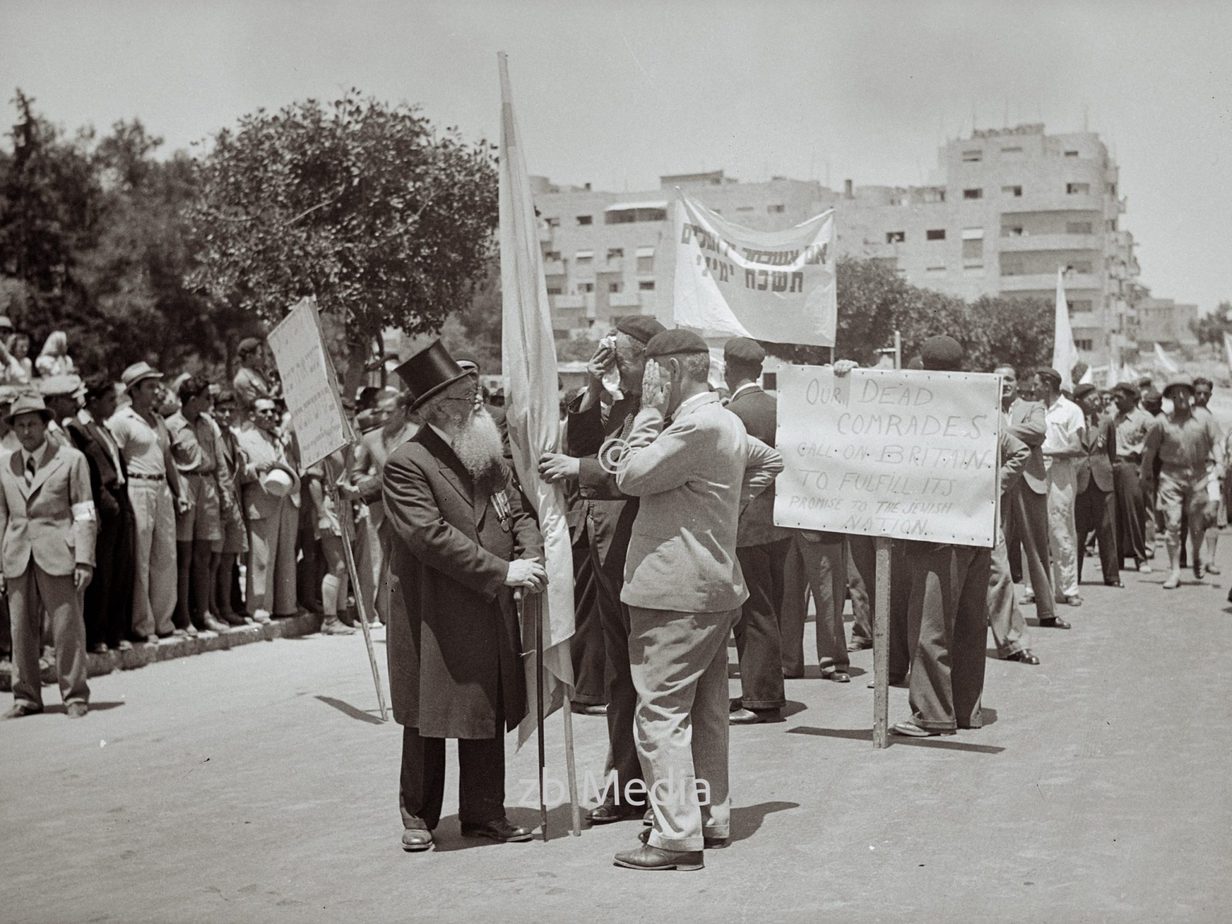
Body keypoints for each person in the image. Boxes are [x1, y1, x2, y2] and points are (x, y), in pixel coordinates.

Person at [609, 329, 783, 872]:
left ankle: (675, 835)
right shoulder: (726, 420)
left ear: (675, 370)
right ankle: (709, 818)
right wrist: (721, 513)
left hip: (675, 591)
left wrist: (643, 418)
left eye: (653, 370)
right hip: (712, 587)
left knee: (660, 714)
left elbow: (630, 475)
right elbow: (769, 461)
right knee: (707, 713)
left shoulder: (695, 422)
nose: (648, 381)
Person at [382, 340, 545, 852]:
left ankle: (484, 814)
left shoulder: (484, 453)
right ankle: (418, 816)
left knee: (483, 710)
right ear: (436, 409)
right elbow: (431, 537)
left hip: (488, 603)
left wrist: (532, 554)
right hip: (433, 612)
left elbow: (517, 511)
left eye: (474, 398)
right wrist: (504, 570)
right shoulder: (406, 462)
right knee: (428, 716)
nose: (476, 407)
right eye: (464, 400)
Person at [537, 315, 665, 825]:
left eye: (625, 361)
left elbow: (633, 470)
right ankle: (627, 785)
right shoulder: (626, 403)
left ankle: (652, 789)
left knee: (646, 676)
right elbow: (585, 443)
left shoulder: (663, 409)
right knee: (619, 676)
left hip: (642, 552)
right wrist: (593, 385)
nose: (620, 371)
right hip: (607, 549)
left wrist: (582, 471)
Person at [893, 337, 1028, 738]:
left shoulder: (916, 405)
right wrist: (990, 487)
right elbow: (1018, 452)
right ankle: (967, 710)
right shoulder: (979, 403)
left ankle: (932, 714)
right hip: (976, 530)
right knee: (970, 625)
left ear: (922, 363)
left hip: (935, 532)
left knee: (930, 626)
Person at [0, 393, 96, 719]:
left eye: (32, 424)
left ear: (45, 425)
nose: (26, 431)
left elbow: (84, 513)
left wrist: (84, 559)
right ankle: (26, 696)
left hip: (60, 553)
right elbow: (1, 518)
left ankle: (75, 695)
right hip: (17, 556)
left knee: (67, 627)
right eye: (20, 425)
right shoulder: (4, 465)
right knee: (20, 630)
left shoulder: (71, 460)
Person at [722, 337, 791, 723]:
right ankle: (759, 688)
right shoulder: (778, 408)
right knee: (770, 611)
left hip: (745, 526)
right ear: (760, 371)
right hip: (779, 524)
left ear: (728, 370)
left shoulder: (733, 414)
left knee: (753, 612)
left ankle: (761, 699)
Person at [110, 363, 189, 645]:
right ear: (134, 390)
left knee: (166, 556)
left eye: (157, 385)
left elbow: (167, 458)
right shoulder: (122, 420)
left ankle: (163, 620)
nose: (156, 390)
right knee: (141, 557)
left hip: (161, 487)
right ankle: (143, 625)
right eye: (150, 386)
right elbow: (115, 458)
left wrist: (178, 492)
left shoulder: (158, 420)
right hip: (137, 485)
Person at [66, 375, 136, 653]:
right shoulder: (78, 428)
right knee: (103, 572)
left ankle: (115, 631)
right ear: (92, 401)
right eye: (108, 400)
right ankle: (96, 634)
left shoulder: (105, 428)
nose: (113, 405)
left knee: (120, 569)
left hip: (119, 501)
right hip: (101, 504)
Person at [166, 376, 234, 635]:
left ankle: (204, 612)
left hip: (208, 487)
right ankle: (184, 615)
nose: (210, 402)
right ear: (193, 400)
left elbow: (219, 462)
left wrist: (225, 494)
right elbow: (168, 462)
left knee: (205, 555)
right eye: (207, 397)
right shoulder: (171, 425)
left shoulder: (208, 424)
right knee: (185, 555)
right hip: (186, 485)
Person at [998, 366, 1065, 628]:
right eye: (1000, 379)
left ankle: (1047, 611)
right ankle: (990, 615)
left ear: (1017, 383)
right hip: (1000, 483)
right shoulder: (987, 408)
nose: (1004, 384)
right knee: (994, 550)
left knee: (1037, 548)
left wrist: (1000, 433)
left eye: (1009, 379)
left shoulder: (1033, 406)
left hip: (1029, 483)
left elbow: (1038, 431)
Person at [1141, 374, 1221, 589]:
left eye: (1185, 392)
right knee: (1173, 524)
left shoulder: (1204, 419)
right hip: (1171, 477)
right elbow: (1149, 452)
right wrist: (1145, 476)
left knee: (1197, 525)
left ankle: (1196, 554)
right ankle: (1175, 570)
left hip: (1198, 477)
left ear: (1191, 395)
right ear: (1170, 397)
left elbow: (1215, 444)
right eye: (1175, 393)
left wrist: (1220, 465)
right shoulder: (1161, 423)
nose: (1181, 397)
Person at [987, 366, 1039, 666]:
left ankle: (1013, 642)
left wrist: (996, 482)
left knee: (1000, 573)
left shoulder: (989, 418)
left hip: (983, 507)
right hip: (943, 509)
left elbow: (1020, 452)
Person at [237, 397, 301, 622]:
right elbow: (237, 472)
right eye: (263, 411)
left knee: (285, 555)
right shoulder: (243, 439)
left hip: (285, 500)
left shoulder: (279, 438)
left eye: (272, 411)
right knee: (261, 557)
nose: (269, 415)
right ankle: (258, 606)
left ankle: (285, 604)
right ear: (252, 415)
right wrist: (255, 468)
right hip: (261, 501)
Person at [1035, 368, 1085, 609]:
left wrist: (1046, 452)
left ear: (1047, 384)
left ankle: (1069, 588)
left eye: (1036, 384)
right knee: (1034, 530)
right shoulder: (1034, 410)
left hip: (1060, 474)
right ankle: (1033, 588)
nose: (1033, 388)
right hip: (1034, 473)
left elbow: (1077, 447)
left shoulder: (1072, 411)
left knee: (1061, 530)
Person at [304, 449, 358, 636]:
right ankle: (329, 620)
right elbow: (313, 481)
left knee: (346, 565)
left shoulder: (347, 444)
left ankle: (341, 613)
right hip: (328, 507)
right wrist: (321, 515)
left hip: (343, 505)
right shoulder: (323, 445)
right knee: (338, 565)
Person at [1073, 383, 1120, 587]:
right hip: (1079, 480)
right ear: (1080, 402)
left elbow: (1112, 451)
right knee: (1078, 531)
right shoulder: (1072, 420)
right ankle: (1074, 576)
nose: (1096, 402)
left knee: (1107, 529)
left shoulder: (1106, 422)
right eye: (1091, 399)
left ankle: (1112, 576)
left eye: (1097, 399)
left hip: (1102, 480)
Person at [210, 391, 249, 625]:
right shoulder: (212, 434)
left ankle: (227, 606)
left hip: (233, 503)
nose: (227, 415)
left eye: (231, 410)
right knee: (215, 560)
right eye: (222, 410)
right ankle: (216, 608)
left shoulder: (232, 438)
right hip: (217, 502)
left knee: (228, 560)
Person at [1111, 382, 1153, 572]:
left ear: (1131, 397)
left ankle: (1140, 558)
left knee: (1134, 513)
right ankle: (1116, 559)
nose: (1115, 401)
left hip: (1131, 465)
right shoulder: (1115, 418)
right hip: (1114, 466)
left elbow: (1156, 439)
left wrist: (1141, 451)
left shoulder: (1144, 419)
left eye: (1119, 397)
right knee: (1114, 515)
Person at [1189, 377, 1222, 576]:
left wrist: (1221, 466)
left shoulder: (1213, 418)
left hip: (1210, 470)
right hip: (1190, 473)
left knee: (1213, 515)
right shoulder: (1185, 415)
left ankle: (1211, 559)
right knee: (1195, 519)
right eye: (1198, 393)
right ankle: (1196, 556)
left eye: (1205, 393)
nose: (1201, 397)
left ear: (1210, 395)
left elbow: (1218, 444)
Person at [232, 337, 275, 422]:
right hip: (254, 425)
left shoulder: (258, 371)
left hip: (267, 420)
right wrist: (274, 392)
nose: (264, 358)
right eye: (261, 355)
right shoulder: (242, 379)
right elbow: (257, 404)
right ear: (249, 357)